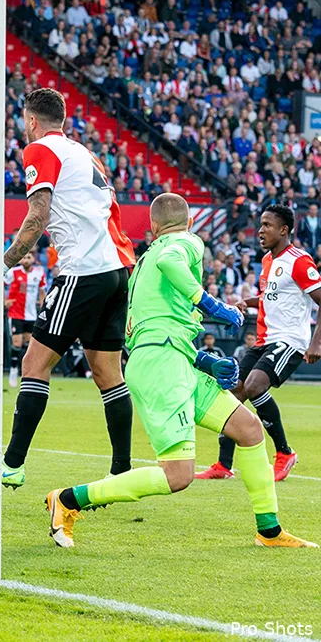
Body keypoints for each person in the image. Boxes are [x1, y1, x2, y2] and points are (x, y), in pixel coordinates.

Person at [46, 193, 315, 549]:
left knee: (249, 430)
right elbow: (174, 263)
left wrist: (203, 361)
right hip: (163, 368)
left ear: (153, 227)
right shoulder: (184, 243)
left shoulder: (143, 264)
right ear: (187, 224)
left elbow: (151, 328)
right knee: (178, 475)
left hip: (171, 361)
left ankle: (269, 530)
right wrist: (210, 303)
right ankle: (68, 499)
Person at [0, 88, 138, 487]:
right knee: (106, 373)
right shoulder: (84, 153)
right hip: (116, 270)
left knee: (34, 365)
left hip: (83, 271)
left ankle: (10, 464)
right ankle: (121, 471)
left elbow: (37, 216)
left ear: (31, 121)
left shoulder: (40, 150)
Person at [198, 205, 321, 481]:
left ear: (284, 230)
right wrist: (247, 302)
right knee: (232, 392)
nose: (260, 230)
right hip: (265, 339)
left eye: (267, 225)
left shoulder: (299, 261)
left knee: (254, 386)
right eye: (260, 224)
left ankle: (285, 452)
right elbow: (269, 297)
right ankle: (223, 465)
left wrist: (316, 342)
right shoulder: (267, 261)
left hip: (290, 340)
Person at [5, 252, 47, 388]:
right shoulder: (13, 272)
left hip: (31, 315)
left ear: (33, 259)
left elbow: (42, 293)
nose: (25, 260)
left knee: (29, 345)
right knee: (16, 343)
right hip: (15, 313)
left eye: (28, 257)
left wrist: (44, 309)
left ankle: (27, 372)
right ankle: (13, 371)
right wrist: (5, 300)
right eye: (23, 257)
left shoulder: (39, 273)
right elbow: (1, 283)